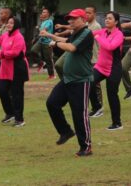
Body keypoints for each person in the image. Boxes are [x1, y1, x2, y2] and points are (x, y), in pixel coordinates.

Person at [45, 9, 95, 157]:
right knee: (52, 103)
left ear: (83, 19)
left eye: (74, 19)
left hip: (81, 80)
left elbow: (71, 48)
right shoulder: (75, 34)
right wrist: (50, 37)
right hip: (68, 79)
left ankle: (86, 146)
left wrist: (54, 43)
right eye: (69, 19)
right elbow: (66, 41)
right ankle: (66, 131)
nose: (70, 21)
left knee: (80, 114)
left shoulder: (86, 33)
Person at [89, 11, 125, 130]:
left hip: (113, 69)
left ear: (116, 22)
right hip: (100, 67)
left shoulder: (119, 34)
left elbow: (110, 46)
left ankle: (117, 123)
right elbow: (90, 33)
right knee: (88, 82)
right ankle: (97, 107)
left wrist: (98, 38)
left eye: (110, 18)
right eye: (106, 18)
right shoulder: (103, 31)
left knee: (112, 95)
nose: (107, 20)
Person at [0, 16, 29, 127]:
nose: (9, 25)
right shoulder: (5, 35)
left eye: (11, 23)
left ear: (16, 25)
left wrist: (0, 53)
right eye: (8, 23)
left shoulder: (19, 37)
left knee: (17, 94)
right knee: (1, 89)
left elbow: (15, 52)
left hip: (17, 68)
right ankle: (10, 113)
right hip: (5, 68)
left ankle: (19, 119)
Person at [84, 6, 105, 118]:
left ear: (94, 14)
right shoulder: (87, 26)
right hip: (88, 58)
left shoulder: (96, 26)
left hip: (95, 58)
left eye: (89, 13)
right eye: (85, 13)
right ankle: (95, 107)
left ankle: (99, 107)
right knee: (90, 84)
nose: (87, 15)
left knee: (95, 84)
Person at [31, 7, 56, 79]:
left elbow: (45, 29)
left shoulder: (50, 21)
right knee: (33, 50)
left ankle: (51, 75)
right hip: (41, 40)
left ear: (48, 14)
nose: (43, 13)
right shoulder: (42, 22)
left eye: (44, 12)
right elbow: (40, 31)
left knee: (48, 59)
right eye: (42, 12)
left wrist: (42, 30)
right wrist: (35, 38)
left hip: (47, 42)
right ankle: (40, 63)